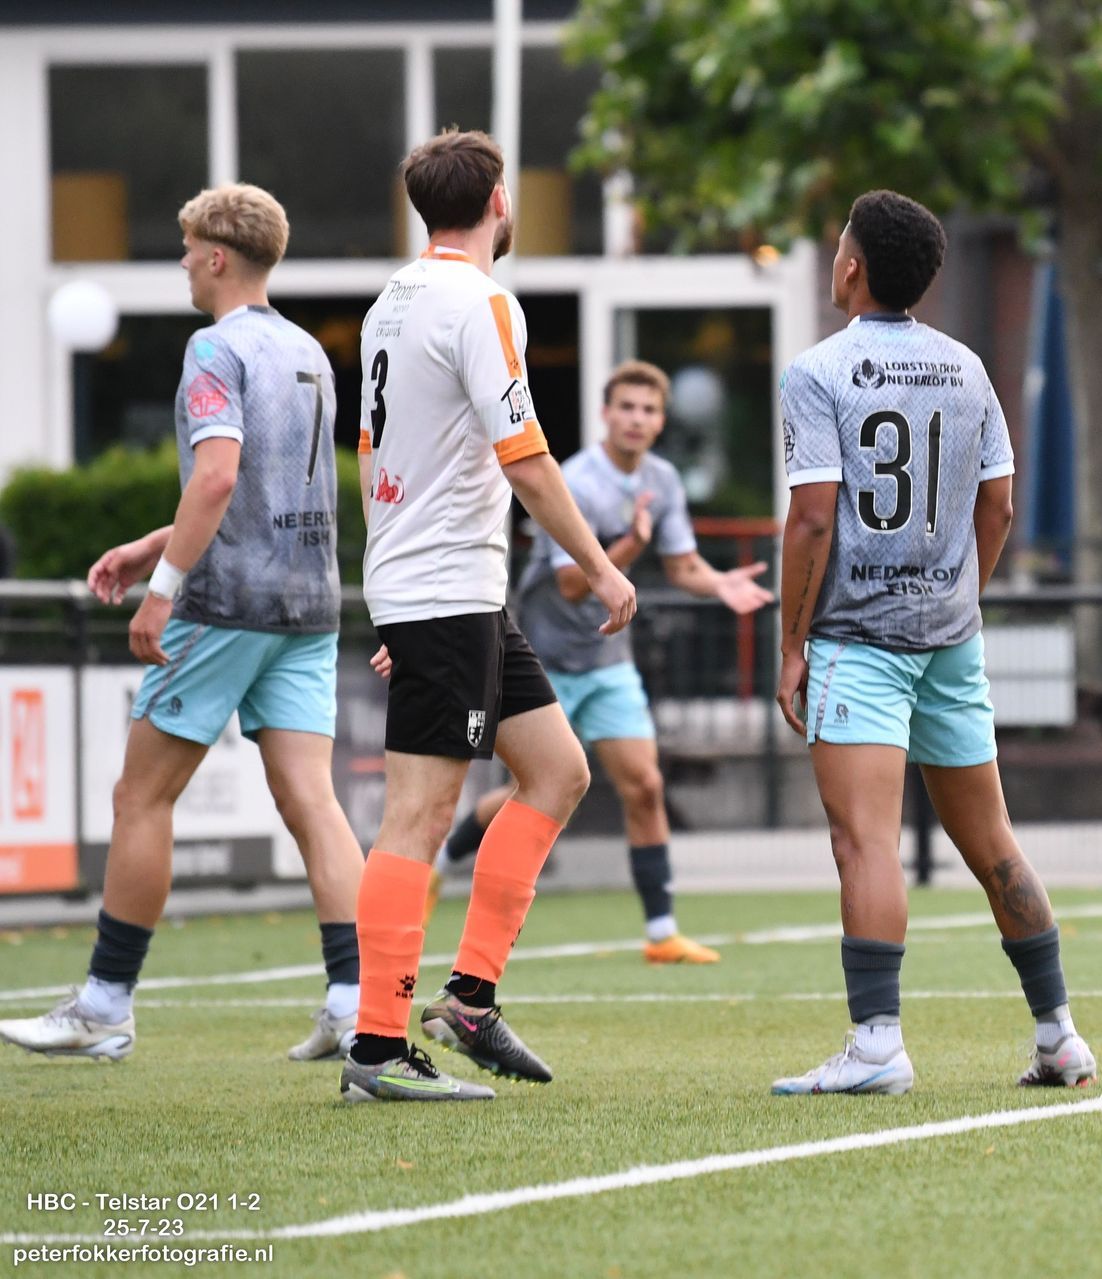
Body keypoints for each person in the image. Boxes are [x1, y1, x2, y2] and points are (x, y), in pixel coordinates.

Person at [0, 185, 365, 1063]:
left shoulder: (214, 346)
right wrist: (150, 544)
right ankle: (356, 1002)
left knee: (141, 797)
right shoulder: (309, 351)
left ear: (216, 256)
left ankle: (105, 1004)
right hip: (308, 603)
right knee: (314, 802)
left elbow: (218, 477)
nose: (182, 263)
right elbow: (267, 492)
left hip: (226, 604)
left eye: (188, 248)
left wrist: (162, 588)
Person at [771, 190, 1096, 1094]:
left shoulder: (816, 371)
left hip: (859, 638)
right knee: (992, 840)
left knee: (864, 842)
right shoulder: (967, 366)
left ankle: (877, 1044)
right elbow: (1000, 505)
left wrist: (791, 645)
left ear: (851, 267)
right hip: (951, 639)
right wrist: (960, 596)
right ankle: (1059, 1033)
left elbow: (812, 518)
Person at [340, 129, 636, 1103]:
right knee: (419, 815)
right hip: (443, 589)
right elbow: (526, 455)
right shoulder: (482, 301)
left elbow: (380, 452)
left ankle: (469, 998)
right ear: (500, 201)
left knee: (557, 770)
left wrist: (400, 597)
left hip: (451, 590)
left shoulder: (392, 299)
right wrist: (598, 565)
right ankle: (377, 1046)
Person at [428, 360, 773, 961]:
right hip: (546, 660)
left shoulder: (663, 480)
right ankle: (442, 864)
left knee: (645, 785)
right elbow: (571, 585)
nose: (637, 419)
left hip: (609, 660)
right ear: (605, 414)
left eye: (649, 410)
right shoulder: (577, 481)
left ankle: (661, 934)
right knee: (528, 790)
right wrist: (632, 543)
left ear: (661, 422)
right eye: (627, 407)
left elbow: (682, 566)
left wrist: (719, 584)